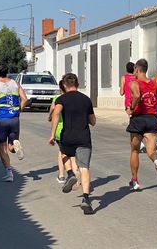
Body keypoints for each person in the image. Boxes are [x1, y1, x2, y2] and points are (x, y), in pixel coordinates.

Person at [48, 73, 96, 215]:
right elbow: (93, 121)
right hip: (83, 138)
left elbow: (55, 113)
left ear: (64, 85)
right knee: (84, 168)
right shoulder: (86, 99)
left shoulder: (61, 99)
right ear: (78, 85)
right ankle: (86, 199)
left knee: (64, 153)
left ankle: (69, 173)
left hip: (67, 137)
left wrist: (52, 133)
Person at [125, 59, 157, 191]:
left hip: (138, 118)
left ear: (136, 69)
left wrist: (131, 107)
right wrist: (151, 103)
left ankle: (135, 180)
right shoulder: (153, 84)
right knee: (151, 151)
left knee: (135, 151)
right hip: (151, 119)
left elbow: (137, 94)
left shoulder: (133, 82)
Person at [0, 61, 28, 182]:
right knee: (11, 147)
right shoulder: (15, 84)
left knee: (2, 148)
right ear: (7, 71)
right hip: (14, 119)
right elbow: (25, 99)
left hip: (2, 120)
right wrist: (18, 109)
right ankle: (15, 144)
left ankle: (9, 173)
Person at [48, 80, 79, 186]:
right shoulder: (73, 100)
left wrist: (49, 117)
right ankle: (75, 174)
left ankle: (62, 175)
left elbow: (52, 111)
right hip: (73, 130)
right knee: (73, 155)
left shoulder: (57, 99)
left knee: (62, 153)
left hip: (59, 131)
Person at [120, 62, 146, 153]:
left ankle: (139, 142)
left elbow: (121, 92)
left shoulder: (124, 78)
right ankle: (141, 140)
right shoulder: (136, 77)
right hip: (138, 102)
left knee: (133, 122)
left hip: (129, 102)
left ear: (127, 69)